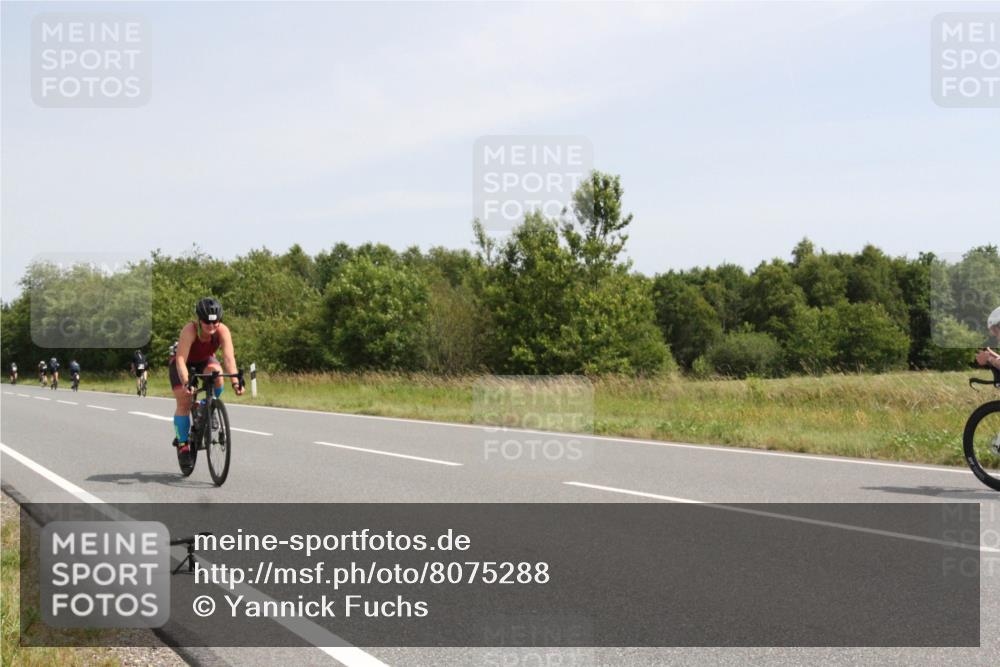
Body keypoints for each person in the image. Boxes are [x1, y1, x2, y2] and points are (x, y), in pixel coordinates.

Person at [169, 297, 243, 465]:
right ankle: (183, 445)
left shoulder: (222, 331)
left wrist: (235, 381)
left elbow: (228, 358)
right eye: (207, 322)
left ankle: (206, 405)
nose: (211, 326)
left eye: (215, 322)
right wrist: (187, 382)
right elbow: (180, 360)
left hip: (204, 361)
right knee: (184, 401)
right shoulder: (190, 330)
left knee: (217, 374)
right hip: (183, 363)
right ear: (199, 320)